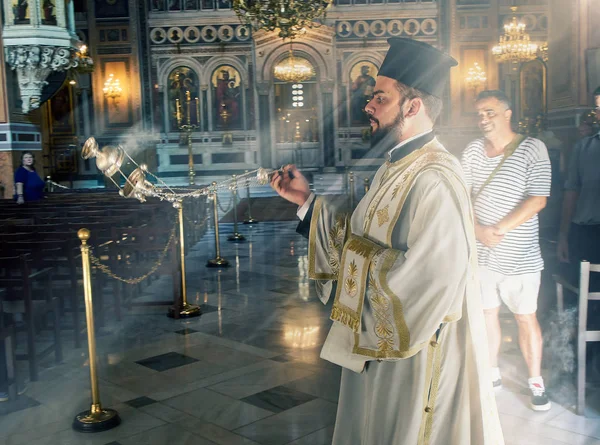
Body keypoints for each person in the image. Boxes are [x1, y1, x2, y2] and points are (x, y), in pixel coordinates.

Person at [271, 38, 504, 444]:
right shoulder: (395, 165)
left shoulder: (436, 177)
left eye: (380, 97)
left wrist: (359, 276)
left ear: (412, 107)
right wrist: (307, 203)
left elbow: (431, 277)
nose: (369, 106)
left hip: (412, 353)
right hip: (378, 349)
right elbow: (360, 238)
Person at [461, 90, 552, 411]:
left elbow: (537, 199)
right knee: (487, 313)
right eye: (479, 114)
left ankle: (535, 380)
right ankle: (491, 372)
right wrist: (477, 231)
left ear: (507, 113)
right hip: (482, 253)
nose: (483, 119)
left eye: (489, 112)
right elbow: (462, 197)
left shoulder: (532, 148)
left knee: (525, 316)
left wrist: (497, 230)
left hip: (521, 254)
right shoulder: (472, 151)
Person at [557, 87, 600, 289]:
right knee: (587, 294)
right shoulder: (584, 147)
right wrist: (563, 235)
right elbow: (571, 193)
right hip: (588, 232)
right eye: (598, 108)